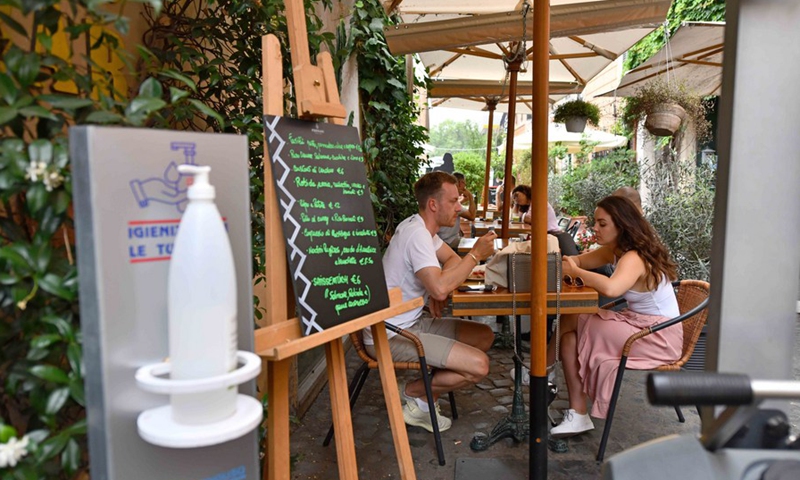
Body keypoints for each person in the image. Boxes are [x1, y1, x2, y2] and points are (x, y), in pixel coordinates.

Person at [364, 171, 497, 433]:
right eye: (453, 201)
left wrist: (441, 289)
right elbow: (440, 284)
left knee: (483, 335)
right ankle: (414, 392)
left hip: (413, 322)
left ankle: (426, 397)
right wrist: (475, 255)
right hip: (388, 335)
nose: (459, 208)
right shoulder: (417, 235)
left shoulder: (423, 230)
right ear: (433, 205)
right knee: (479, 365)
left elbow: (452, 262)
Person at [548, 195, 681, 438]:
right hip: (637, 324)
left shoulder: (634, 256)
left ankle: (543, 368)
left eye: (602, 224)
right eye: (595, 223)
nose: (595, 228)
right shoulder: (616, 251)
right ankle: (577, 414)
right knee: (568, 340)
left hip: (658, 337)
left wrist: (575, 271)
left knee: (573, 313)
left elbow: (611, 289)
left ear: (622, 226)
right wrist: (570, 263)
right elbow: (579, 260)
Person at [437, 172, 476, 249]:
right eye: (464, 183)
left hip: (440, 239)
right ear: (460, 183)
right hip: (449, 240)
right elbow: (472, 216)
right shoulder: (453, 203)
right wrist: (471, 198)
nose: (465, 186)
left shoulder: (445, 197)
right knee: (474, 246)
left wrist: (461, 201)